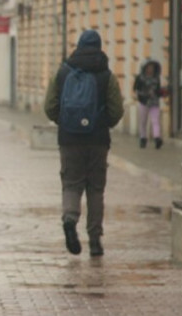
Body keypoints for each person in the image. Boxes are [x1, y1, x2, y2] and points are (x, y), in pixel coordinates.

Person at [44, 29, 123, 258]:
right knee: (95, 189)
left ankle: (70, 220)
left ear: (77, 46)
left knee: (71, 184)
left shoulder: (62, 72)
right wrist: (102, 123)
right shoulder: (106, 75)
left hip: (69, 140)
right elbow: (116, 110)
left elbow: (49, 106)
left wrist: (65, 122)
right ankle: (95, 240)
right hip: (98, 140)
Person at [134, 58, 164, 149]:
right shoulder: (140, 78)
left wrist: (163, 92)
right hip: (143, 102)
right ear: (145, 68)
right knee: (143, 121)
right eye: (149, 67)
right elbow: (136, 89)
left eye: (152, 67)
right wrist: (145, 94)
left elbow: (158, 90)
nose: (151, 69)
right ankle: (143, 138)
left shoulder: (156, 78)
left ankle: (157, 138)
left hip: (154, 102)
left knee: (155, 120)